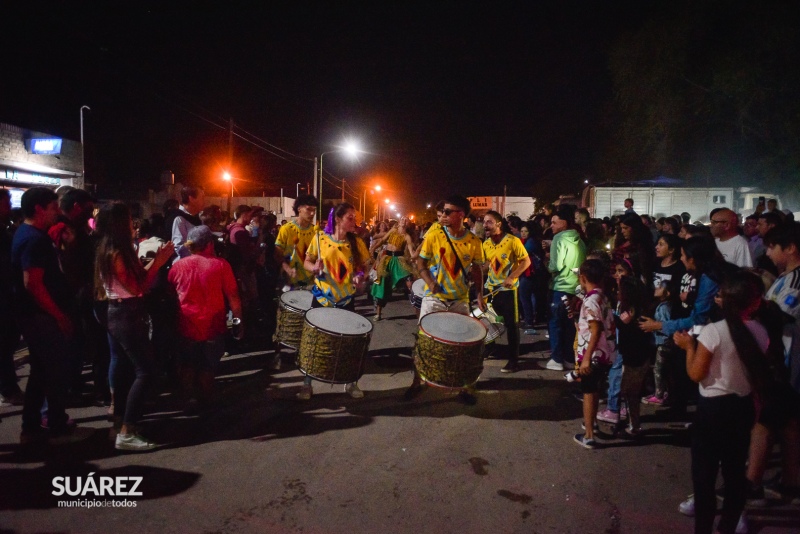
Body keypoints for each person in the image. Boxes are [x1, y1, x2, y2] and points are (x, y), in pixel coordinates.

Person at [673, 271, 772, 534]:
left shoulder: (713, 332)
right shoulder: (760, 332)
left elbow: (696, 374)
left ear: (724, 301)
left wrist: (688, 347)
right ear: (754, 302)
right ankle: (728, 525)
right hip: (742, 407)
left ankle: (703, 527)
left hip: (713, 410)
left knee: (704, 476)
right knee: (734, 470)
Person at [95, 202, 175, 451]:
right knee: (146, 371)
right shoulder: (116, 253)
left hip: (120, 312)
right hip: (125, 313)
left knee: (125, 371)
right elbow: (137, 287)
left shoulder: (112, 248)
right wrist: (158, 262)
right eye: (129, 219)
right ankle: (127, 430)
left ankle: (120, 425)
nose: (134, 223)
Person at [11, 188, 79, 444]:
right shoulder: (33, 239)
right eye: (53, 206)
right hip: (41, 316)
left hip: (37, 315)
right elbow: (33, 283)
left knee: (41, 371)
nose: (57, 211)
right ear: (39, 209)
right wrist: (58, 315)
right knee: (55, 371)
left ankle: (32, 426)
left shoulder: (33, 234)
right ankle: (54, 422)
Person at [408, 195, 485, 403]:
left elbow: (477, 269)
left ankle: (465, 386)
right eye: (444, 211)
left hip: (459, 300)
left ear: (461, 215)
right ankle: (418, 381)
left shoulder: (474, 241)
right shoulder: (435, 235)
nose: (444, 215)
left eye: (449, 212)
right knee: (423, 341)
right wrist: (430, 283)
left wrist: (479, 294)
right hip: (434, 298)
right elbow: (420, 264)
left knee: (463, 344)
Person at [298, 203, 371, 400]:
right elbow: (306, 261)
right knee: (314, 342)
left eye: (354, 218)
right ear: (337, 220)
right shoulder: (320, 238)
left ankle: (350, 383)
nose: (353, 222)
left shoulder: (357, 243)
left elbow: (364, 267)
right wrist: (314, 268)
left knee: (349, 344)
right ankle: (307, 384)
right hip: (322, 297)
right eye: (349, 218)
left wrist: (360, 276)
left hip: (345, 299)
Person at [168, 226, 242, 411]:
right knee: (207, 367)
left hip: (186, 325)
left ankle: (187, 401)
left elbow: (170, 296)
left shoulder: (177, 266)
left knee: (188, 365)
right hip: (212, 326)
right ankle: (207, 404)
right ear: (209, 244)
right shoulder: (221, 265)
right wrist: (238, 322)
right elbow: (233, 296)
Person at [573, 259, 618, 449]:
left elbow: (595, 328)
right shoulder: (603, 297)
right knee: (595, 390)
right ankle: (593, 423)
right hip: (606, 353)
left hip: (593, 355)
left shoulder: (590, 301)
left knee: (589, 392)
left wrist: (585, 359)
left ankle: (589, 435)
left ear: (583, 278)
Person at [480, 211, 530, 373]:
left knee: (511, 325)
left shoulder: (512, 241)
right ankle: (490, 347)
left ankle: (513, 360)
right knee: (487, 320)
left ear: (498, 224)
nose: (485, 225)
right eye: (484, 222)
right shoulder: (486, 243)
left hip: (509, 290)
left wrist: (512, 277)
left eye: (489, 222)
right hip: (491, 288)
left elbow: (526, 261)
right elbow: (488, 263)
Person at [546, 205, 586, 371]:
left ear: (564, 222)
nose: (552, 226)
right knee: (570, 325)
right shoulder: (579, 238)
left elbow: (555, 265)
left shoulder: (559, 239)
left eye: (555, 222)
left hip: (561, 286)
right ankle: (570, 358)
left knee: (555, 323)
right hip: (576, 288)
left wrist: (548, 264)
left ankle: (556, 359)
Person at [0, 189, 23, 406]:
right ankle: (8, 388)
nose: (8, 207)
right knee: (5, 344)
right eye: (5, 203)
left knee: (7, 345)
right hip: (4, 297)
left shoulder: (6, 230)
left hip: (8, 295)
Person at [370, 216, 416, 321]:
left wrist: (416, 256)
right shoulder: (393, 230)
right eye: (402, 219)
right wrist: (373, 248)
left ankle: (418, 306)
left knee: (409, 279)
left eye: (406, 219)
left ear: (408, 223)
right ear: (399, 222)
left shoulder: (407, 236)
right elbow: (383, 240)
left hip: (398, 260)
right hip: (386, 259)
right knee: (380, 284)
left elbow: (411, 251)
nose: (404, 220)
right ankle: (378, 313)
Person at [274, 194, 318, 289]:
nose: (312, 213)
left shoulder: (317, 232)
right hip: (290, 282)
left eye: (314, 210)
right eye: (309, 209)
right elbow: (277, 254)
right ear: (299, 209)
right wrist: (287, 269)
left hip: (311, 282)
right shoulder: (286, 229)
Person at [170, 186, 205, 258]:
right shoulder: (178, 218)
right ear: (191, 199)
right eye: (202, 198)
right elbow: (180, 248)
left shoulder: (196, 218)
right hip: (184, 265)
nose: (204, 201)